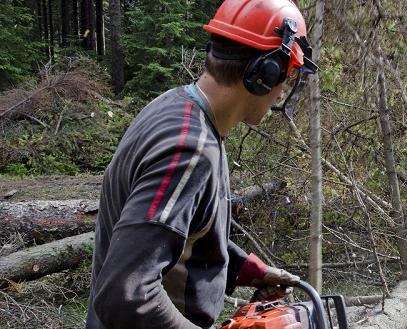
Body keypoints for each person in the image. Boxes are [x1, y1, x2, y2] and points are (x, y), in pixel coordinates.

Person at [85, 0, 318, 328]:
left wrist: (245, 268)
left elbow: (181, 232)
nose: (282, 92)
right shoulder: (190, 149)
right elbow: (125, 295)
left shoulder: (178, 110)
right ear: (265, 74)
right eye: (287, 75)